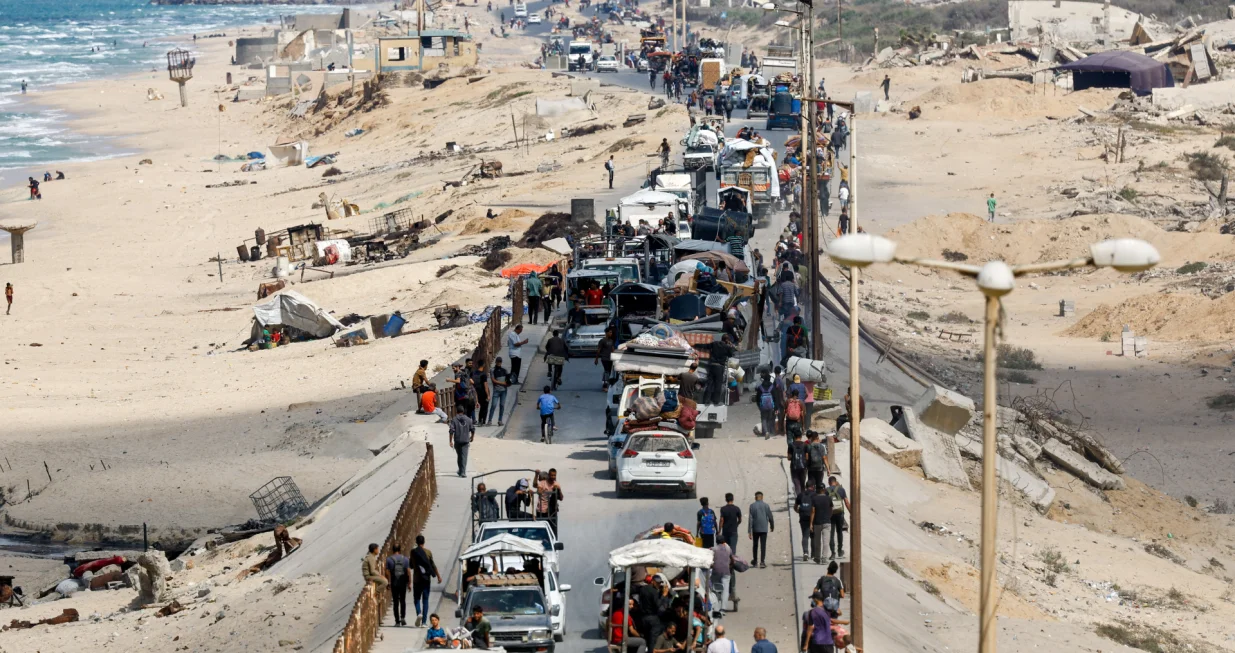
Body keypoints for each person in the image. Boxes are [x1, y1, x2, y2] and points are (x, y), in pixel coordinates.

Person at [411, 534, 442, 626]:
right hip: (426, 579)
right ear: (424, 542)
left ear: (416, 542)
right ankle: (424, 622)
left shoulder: (413, 552)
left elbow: (411, 565)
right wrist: (438, 576)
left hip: (417, 579)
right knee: (425, 600)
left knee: (416, 598)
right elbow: (432, 565)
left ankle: (419, 613)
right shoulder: (428, 552)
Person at [809, 478, 834, 564]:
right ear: (824, 490)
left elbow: (813, 511)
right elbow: (831, 509)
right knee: (826, 541)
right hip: (827, 522)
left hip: (817, 523)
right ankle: (824, 558)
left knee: (817, 542)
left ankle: (817, 558)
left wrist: (811, 523)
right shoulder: (828, 498)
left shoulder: (814, 499)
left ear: (817, 490)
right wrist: (829, 517)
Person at [386, 543, 412, 626]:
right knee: (402, 600)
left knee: (395, 601)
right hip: (403, 582)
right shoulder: (405, 559)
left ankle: (397, 621)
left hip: (394, 582)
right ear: (400, 550)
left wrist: (389, 582)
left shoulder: (389, 559)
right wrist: (409, 583)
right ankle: (403, 617)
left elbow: (387, 572)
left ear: (392, 550)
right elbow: (408, 571)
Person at [825, 477, 851, 559]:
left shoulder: (826, 490)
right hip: (840, 513)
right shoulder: (841, 490)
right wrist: (851, 512)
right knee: (839, 532)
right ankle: (840, 550)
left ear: (829, 482)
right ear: (835, 482)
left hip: (830, 514)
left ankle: (833, 553)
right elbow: (846, 502)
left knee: (831, 533)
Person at [748, 491, 774, 568]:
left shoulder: (752, 506)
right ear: (762, 497)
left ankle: (755, 561)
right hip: (764, 528)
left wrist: (749, 531)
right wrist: (772, 525)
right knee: (763, 545)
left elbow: (750, 519)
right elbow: (770, 516)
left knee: (755, 545)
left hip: (755, 529)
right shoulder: (766, 505)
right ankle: (762, 562)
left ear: (755, 497)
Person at [448, 406, 475, 477]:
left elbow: (451, 431)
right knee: (464, 456)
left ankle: (461, 470)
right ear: (463, 411)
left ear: (457, 411)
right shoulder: (469, 419)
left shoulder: (454, 420)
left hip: (457, 441)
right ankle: (462, 472)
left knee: (459, 456)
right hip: (466, 440)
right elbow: (472, 429)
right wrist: (472, 437)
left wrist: (450, 441)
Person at [535, 468, 564, 534]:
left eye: (554, 475)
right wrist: (544, 490)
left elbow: (561, 498)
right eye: (551, 475)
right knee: (541, 530)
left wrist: (558, 490)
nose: (553, 477)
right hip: (541, 509)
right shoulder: (542, 483)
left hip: (552, 511)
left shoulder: (556, 484)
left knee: (552, 530)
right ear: (548, 475)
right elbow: (538, 491)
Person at [709, 542, 733, 615]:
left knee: (713, 588)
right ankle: (723, 609)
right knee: (725, 590)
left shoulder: (713, 549)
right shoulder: (728, 548)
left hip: (716, 572)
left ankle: (716, 607)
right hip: (726, 572)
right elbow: (732, 558)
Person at [795, 482, 816, 561]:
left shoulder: (800, 495)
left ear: (806, 487)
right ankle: (813, 554)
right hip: (813, 517)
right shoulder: (815, 495)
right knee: (813, 536)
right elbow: (815, 508)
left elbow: (795, 507)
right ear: (812, 487)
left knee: (805, 535)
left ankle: (805, 552)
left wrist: (799, 512)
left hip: (803, 517)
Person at [754, 373, 777, 440]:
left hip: (763, 406)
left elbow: (757, 398)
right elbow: (775, 397)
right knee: (769, 418)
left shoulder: (760, 387)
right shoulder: (772, 387)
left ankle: (765, 432)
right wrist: (775, 406)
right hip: (771, 406)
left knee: (763, 419)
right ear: (770, 379)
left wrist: (759, 405)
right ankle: (770, 431)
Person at [473, 359, 492, 426]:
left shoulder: (474, 373)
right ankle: (482, 420)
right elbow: (485, 385)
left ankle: (480, 420)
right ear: (483, 365)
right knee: (484, 407)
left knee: (480, 406)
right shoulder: (483, 374)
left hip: (475, 391)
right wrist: (488, 395)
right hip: (482, 392)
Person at [789, 430, 808, 495]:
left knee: (797, 483)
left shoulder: (791, 445)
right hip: (803, 466)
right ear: (801, 436)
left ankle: (799, 498)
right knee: (802, 483)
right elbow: (807, 457)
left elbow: (789, 457)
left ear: (794, 436)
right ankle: (803, 498)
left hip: (794, 466)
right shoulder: (805, 445)